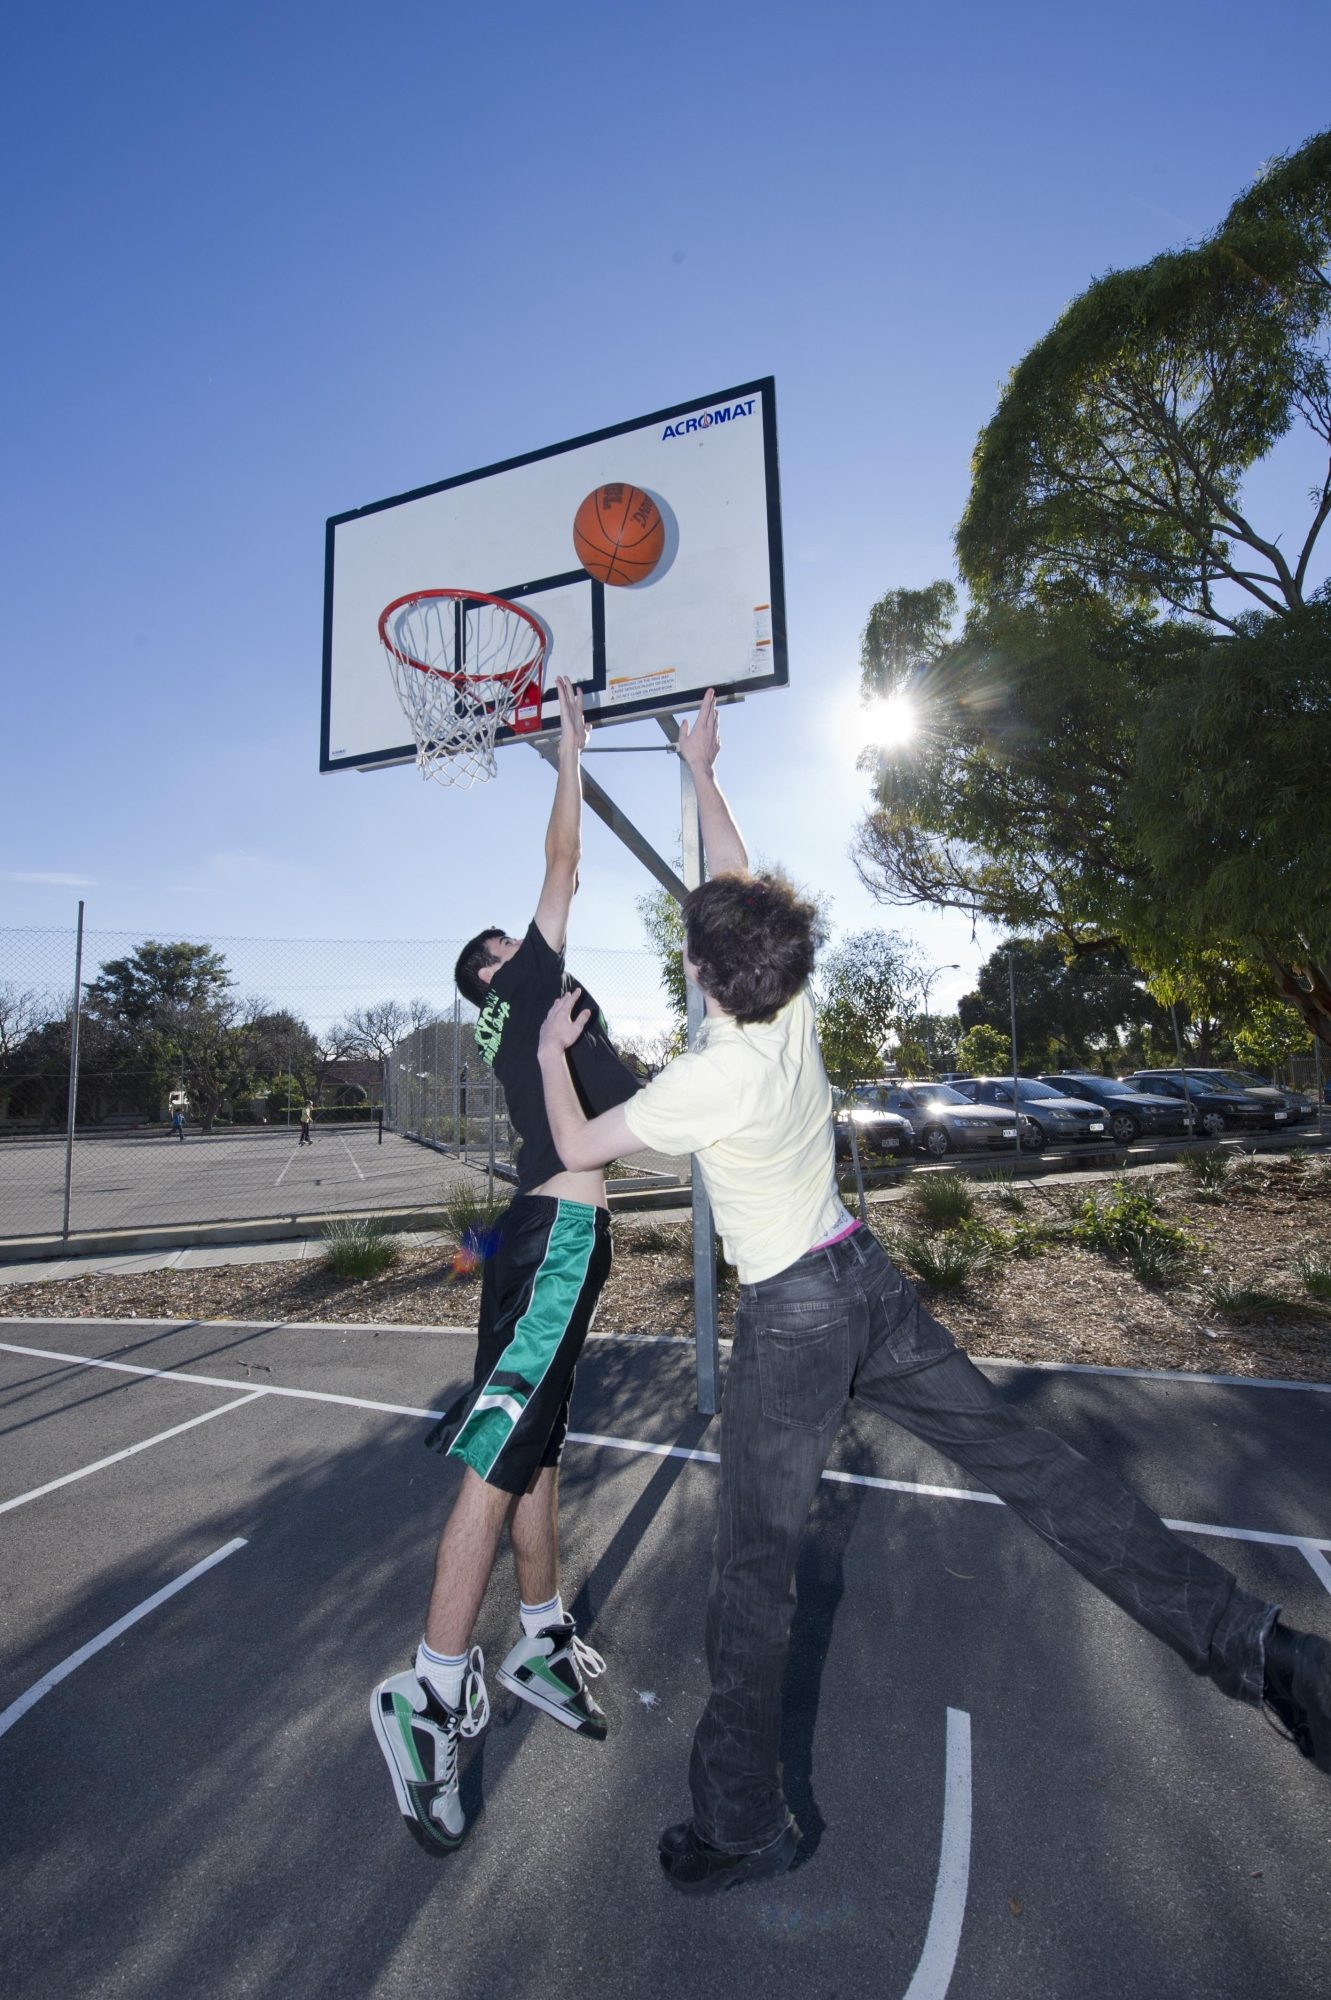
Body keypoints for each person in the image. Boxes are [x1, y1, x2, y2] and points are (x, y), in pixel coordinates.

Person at [537, 688, 1331, 1897]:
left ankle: (740, 1819)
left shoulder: (699, 1083)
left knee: (753, 1575)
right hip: (866, 1276)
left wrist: (549, 1055)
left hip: (797, 1319)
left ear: (700, 971)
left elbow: (576, 1148)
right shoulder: (783, 1007)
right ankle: (1262, 1649)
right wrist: (700, 767)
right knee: (1036, 1468)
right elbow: (736, 879)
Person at [371, 677, 642, 1856]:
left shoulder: (521, 1016)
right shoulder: (528, 984)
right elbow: (566, 864)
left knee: (532, 1447)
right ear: (492, 977)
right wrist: (567, 752)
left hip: (549, 1236)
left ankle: (533, 1629)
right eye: (498, 943)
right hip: (555, 1236)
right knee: (496, 1451)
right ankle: (427, 1689)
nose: (518, 937)